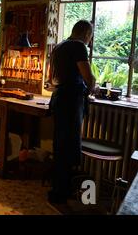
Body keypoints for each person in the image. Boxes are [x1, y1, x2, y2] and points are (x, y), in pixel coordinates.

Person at [47, 20, 96, 204]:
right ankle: (61, 193)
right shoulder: (79, 46)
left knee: (60, 145)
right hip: (70, 101)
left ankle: (58, 188)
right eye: (90, 36)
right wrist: (93, 86)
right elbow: (87, 77)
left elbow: (52, 78)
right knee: (68, 145)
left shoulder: (59, 46)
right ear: (85, 34)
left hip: (59, 98)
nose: (90, 40)